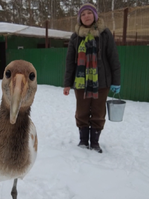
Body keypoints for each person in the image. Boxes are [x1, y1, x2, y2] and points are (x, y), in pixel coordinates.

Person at [63, 3, 121, 153]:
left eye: (89, 13)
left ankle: (95, 142)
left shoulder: (105, 34)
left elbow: (113, 58)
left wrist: (116, 81)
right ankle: (83, 141)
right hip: (81, 82)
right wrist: (67, 83)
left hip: (101, 82)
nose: (86, 16)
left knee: (98, 112)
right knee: (81, 111)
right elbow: (70, 61)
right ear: (79, 18)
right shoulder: (75, 37)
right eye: (83, 14)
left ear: (95, 15)